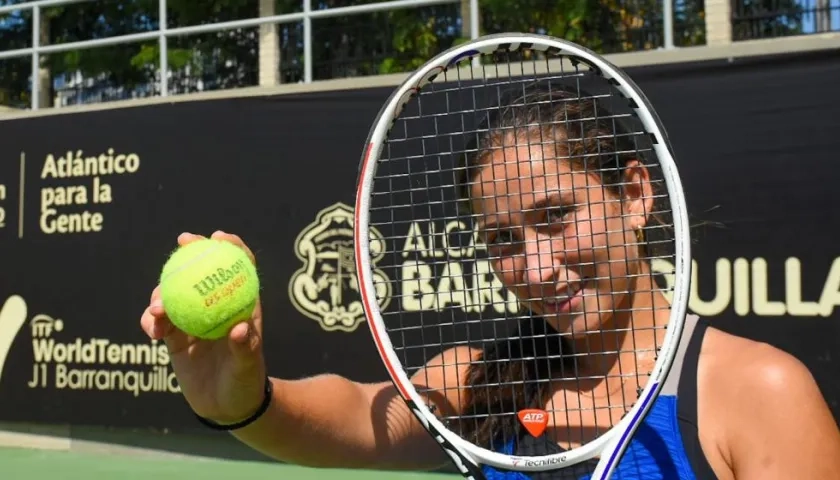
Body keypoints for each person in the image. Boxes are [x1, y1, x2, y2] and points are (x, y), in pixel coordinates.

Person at [140, 83, 840, 479]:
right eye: (503, 240)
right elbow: (359, 414)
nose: (536, 269)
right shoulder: (488, 380)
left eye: (556, 217)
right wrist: (240, 400)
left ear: (633, 195)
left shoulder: (757, 393)